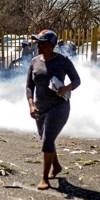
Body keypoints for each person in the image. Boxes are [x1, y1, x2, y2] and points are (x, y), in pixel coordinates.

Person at [26, 30, 81, 190]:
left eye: (42, 43)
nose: (38, 45)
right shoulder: (34, 62)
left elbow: (77, 80)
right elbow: (29, 86)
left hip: (59, 107)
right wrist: (31, 105)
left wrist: (66, 88)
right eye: (37, 42)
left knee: (48, 140)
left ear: (51, 45)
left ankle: (44, 178)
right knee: (45, 139)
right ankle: (56, 166)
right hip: (40, 108)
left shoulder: (63, 61)